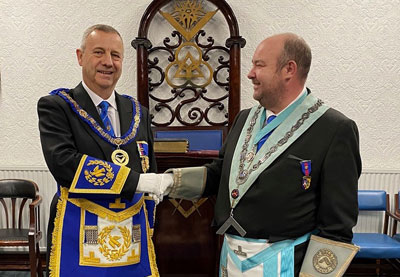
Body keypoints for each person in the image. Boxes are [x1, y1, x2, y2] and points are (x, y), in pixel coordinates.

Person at [164, 33, 362, 276]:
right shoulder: (244, 119)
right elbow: (220, 174)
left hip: (287, 264)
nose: (250, 73)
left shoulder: (334, 129)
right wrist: (169, 181)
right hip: (230, 260)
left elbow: (337, 227)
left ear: (289, 69)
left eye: (259, 65)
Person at [38, 24, 171, 277]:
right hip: (80, 231)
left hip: (130, 234)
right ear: (80, 56)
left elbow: (148, 166)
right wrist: (139, 181)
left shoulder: (138, 112)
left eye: (116, 55)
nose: (108, 62)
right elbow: (64, 164)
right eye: (99, 52)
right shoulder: (57, 106)